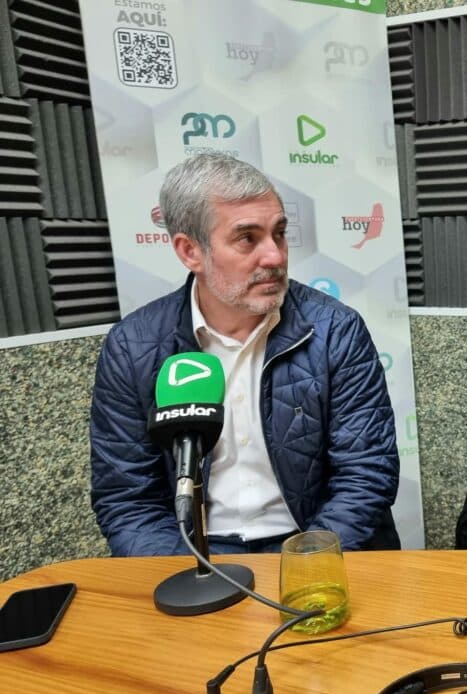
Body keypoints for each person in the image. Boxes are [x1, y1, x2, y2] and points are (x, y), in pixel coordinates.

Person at [91, 152, 401, 556]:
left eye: (279, 233)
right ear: (190, 251)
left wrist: (306, 566)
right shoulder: (132, 347)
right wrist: (190, 573)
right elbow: (128, 499)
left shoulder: (335, 330)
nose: (275, 256)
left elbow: (366, 474)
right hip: (196, 552)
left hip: (315, 546)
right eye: (247, 238)